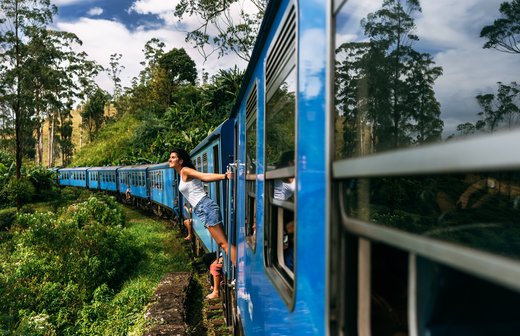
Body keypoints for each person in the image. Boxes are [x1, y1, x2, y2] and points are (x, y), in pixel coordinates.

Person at [169, 148, 236, 265]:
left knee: (224, 244)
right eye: (170, 157)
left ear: (180, 161)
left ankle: (242, 276)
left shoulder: (185, 170)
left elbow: (204, 177)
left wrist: (224, 176)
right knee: (224, 243)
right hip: (202, 208)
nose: (170, 159)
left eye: (173, 157)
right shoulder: (182, 173)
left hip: (205, 207)